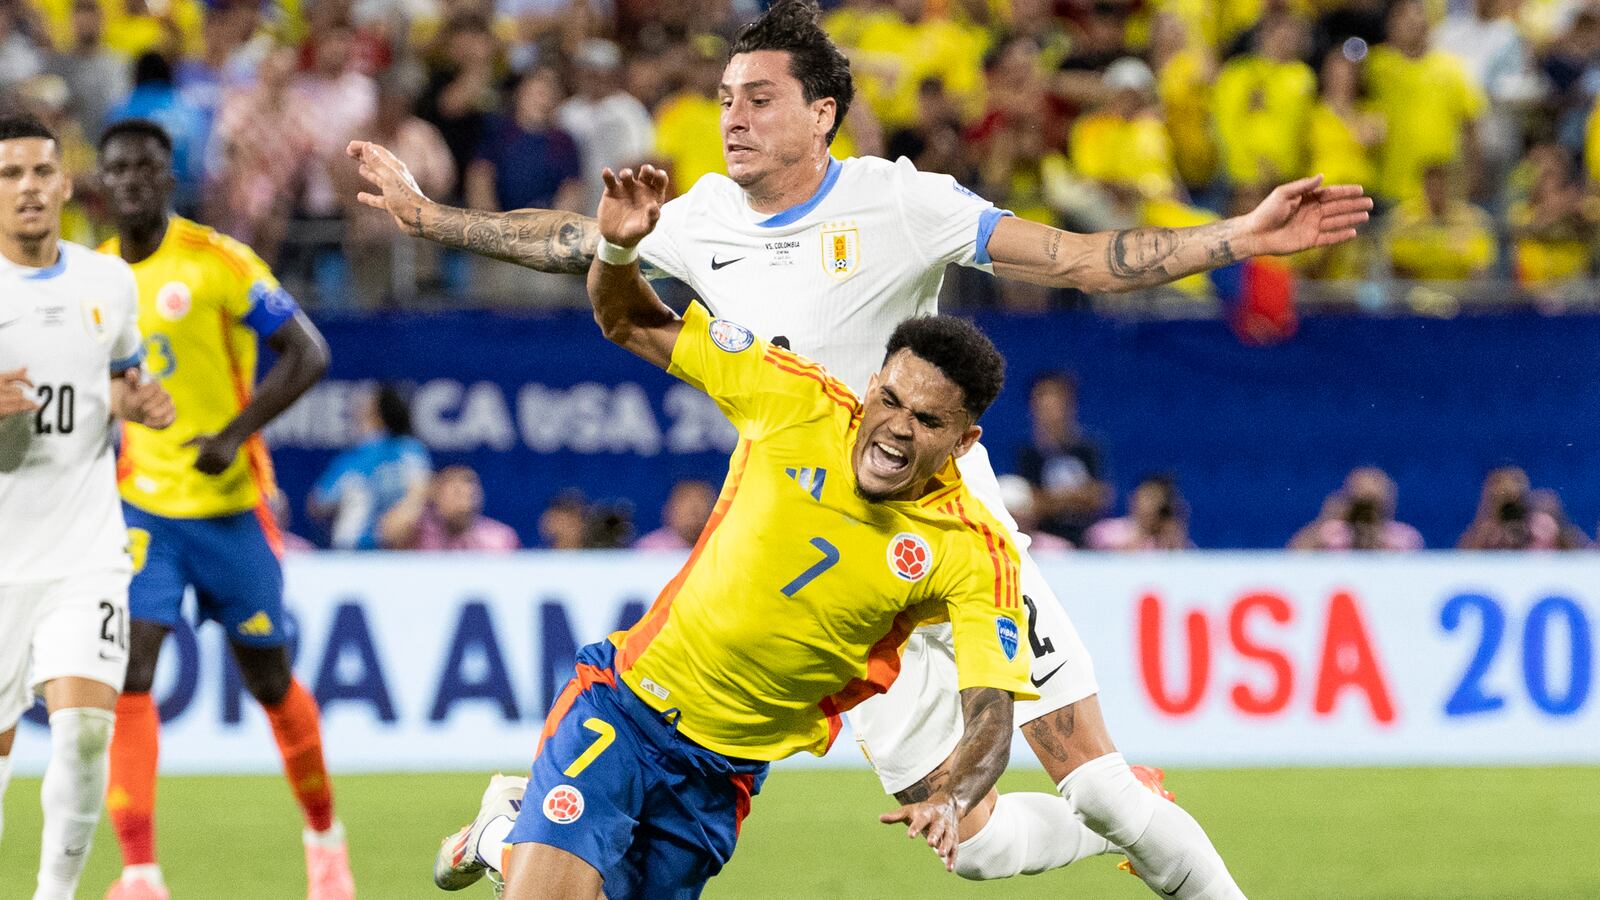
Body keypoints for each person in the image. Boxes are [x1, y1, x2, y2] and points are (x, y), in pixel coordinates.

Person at [350, 2, 1368, 893]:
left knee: (1098, 782)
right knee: (968, 848)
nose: (730, 116)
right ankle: (520, 824)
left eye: (756, 97)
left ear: (821, 113)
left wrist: (1236, 237)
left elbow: (1074, 259)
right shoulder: (700, 216)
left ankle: (1131, 818)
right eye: (722, 96)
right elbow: (575, 243)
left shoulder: (897, 200)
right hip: (818, 562)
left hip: (949, 536)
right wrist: (425, 214)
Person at [439, 161, 1035, 899]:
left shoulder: (973, 551)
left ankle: (502, 834)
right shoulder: (794, 398)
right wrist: (619, 251)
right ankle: (520, 843)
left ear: (964, 442)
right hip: (627, 709)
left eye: (928, 420)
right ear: (873, 383)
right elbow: (631, 320)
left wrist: (953, 792)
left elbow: (990, 713)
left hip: (722, 777)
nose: (896, 428)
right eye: (890, 399)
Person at [94, 119, 350, 900]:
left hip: (233, 507)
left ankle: (323, 838)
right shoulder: (92, 279)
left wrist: (234, 435)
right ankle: (140, 872)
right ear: (101, 184)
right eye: (118, 169)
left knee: (271, 683)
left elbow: (309, 351)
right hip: (143, 510)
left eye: (147, 167)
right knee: (131, 670)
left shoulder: (216, 262)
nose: (133, 180)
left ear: (167, 178)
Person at [0, 115, 175, 900]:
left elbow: (120, 378)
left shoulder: (108, 283)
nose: (28, 189)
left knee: (80, 736)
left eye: (40, 172)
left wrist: (139, 401)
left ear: (68, 184)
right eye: (9, 176)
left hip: (86, 553)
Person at [308, 382, 432, 550]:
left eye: (364, 407)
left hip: (398, 551)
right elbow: (319, 502)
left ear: (375, 414)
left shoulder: (408, 451)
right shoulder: (355, 458)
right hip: (354, 552)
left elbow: (419, 493)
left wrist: (401, 515)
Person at [1017, 370, 1112, 547]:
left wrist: (1050, 500)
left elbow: (1100, 497)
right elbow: (1030, 503)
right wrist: (1076, 497)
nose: (1050, 407)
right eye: (1044, 400)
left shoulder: (1087, 449)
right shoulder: (1028, 454)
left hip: (1087, 539)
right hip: (1043, 541)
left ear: (1069, 404)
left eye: (1056, 399)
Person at [378, 464, 519, 551]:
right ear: (435, 493)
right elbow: (388, 535)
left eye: (469, 485)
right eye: (455, 490)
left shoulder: (499, 538)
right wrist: (416, 496)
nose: (464, 492)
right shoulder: (418, 531)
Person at [1289, 466, 1424, 552]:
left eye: (1373, 506)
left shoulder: (1401, 538)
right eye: (1361, 506)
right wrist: (1327, 520)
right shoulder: (1330, 533)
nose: (1367, 515)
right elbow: (1295, 556)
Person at [1085, 475, 1195, 551]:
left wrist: (1175, 538)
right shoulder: (1106, 531)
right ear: (1133, 498)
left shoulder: (1170, 539)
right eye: (1148, 497)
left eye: (1159, 500)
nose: (1152, 505)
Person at [633, 479, 715, 550]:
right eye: (688, 508)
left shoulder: (721, 546)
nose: (694, 517)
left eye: (700, 507)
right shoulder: (648, 551)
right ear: (669, 510)